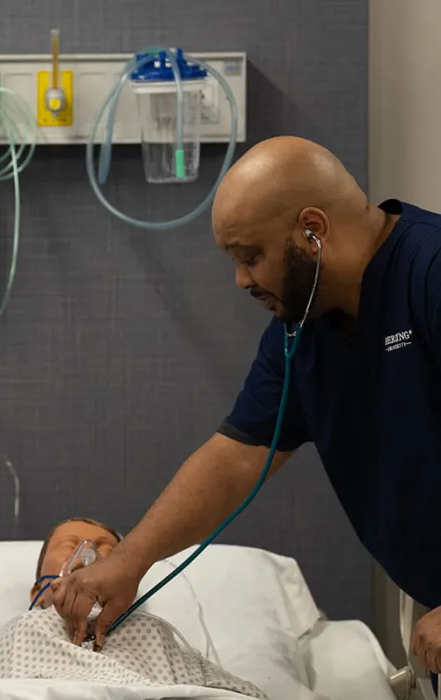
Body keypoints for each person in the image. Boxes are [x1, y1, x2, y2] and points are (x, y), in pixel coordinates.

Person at [50, 134, 441, 674]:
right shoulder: (304, 329)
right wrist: (130, 562)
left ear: (313, 229)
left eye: (251, 257)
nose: (240, 280)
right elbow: (236, 458)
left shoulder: (429, 273)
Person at [0, 516, 265, 697]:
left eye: (106, 547)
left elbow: (239, 695)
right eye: (70, 545)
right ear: (37, 590)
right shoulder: (16, 633)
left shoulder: (153, 634)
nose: (87, 553)